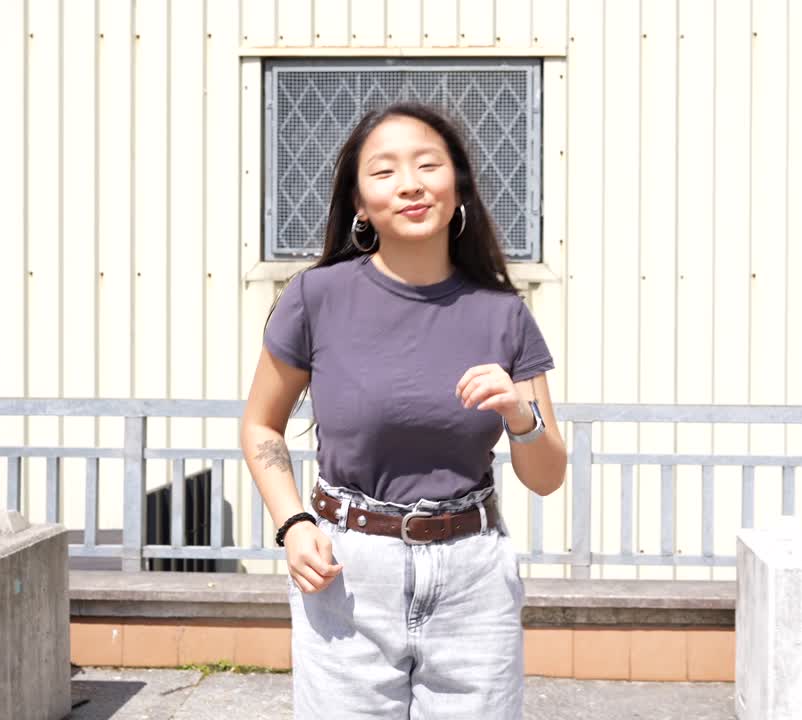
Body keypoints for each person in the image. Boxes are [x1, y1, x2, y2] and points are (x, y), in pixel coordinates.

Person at [239, 102, 567, 719]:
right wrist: (293, 524)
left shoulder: (504, 314)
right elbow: (261, 425)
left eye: (427, 165)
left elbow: (548, 476)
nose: (411, 183)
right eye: (384, 171)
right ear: (360, 203)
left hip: (473, 579)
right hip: (348, 573)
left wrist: (521, 416)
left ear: (457, 186)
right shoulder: (316, 297)